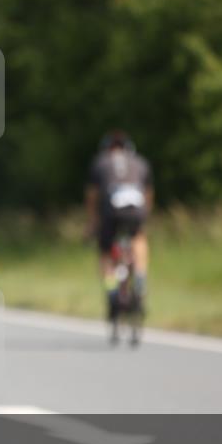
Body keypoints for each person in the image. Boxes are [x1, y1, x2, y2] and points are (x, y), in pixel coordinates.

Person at [85, 130, 153, 315]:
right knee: (138, 238)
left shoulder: (100, 162)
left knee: (106, 252)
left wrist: (92, 223)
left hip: (111, 209)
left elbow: (92, 196)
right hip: (136, 208)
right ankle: (139, 278)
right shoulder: (140, 162)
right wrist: (145, 216)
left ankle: (112, 291)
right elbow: (148, 194)